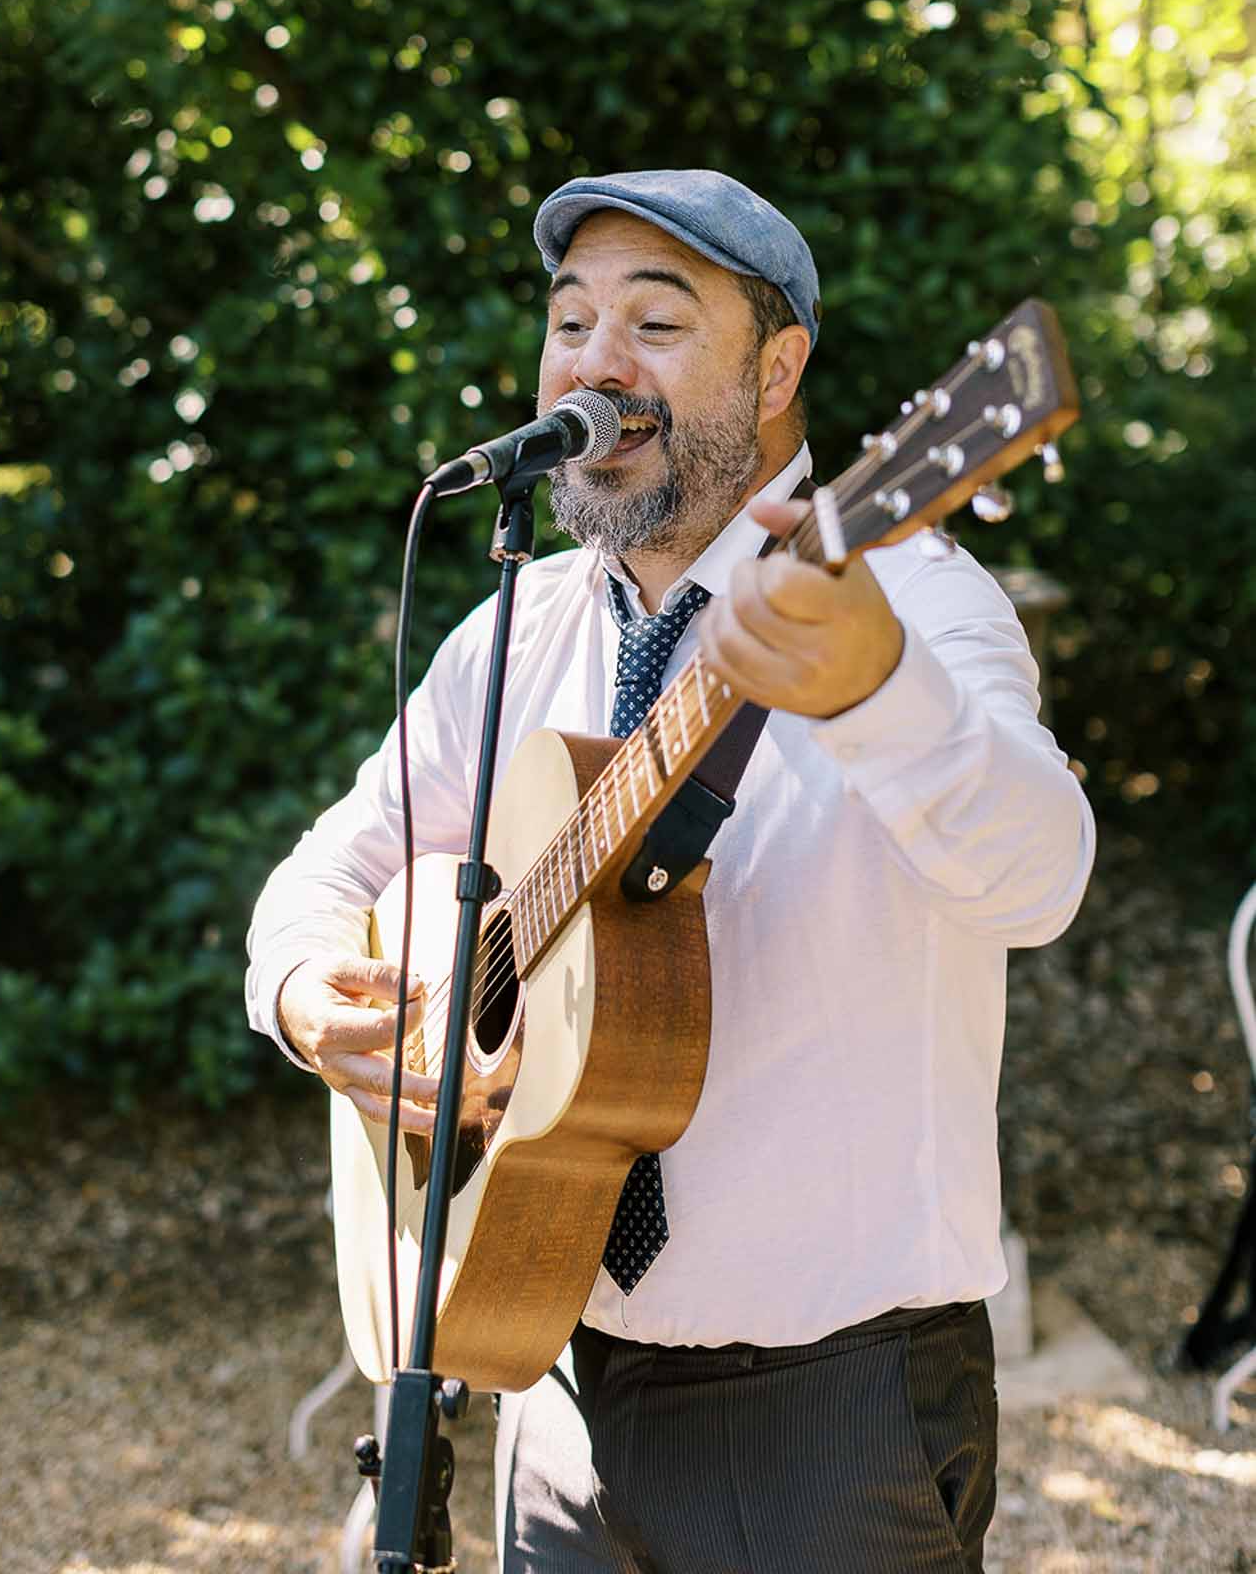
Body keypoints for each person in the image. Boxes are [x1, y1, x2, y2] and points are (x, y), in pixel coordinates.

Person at [246, 169, 1094, 1572]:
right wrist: (300, 990)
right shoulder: (519, 624)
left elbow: (1039, 881)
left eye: (655, 321)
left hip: (829, 1407)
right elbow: (337, 860)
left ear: (776, 371)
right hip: (548, 1362)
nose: (593, 360)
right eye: (569, 321)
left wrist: (873, 687)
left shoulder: (917, 602)